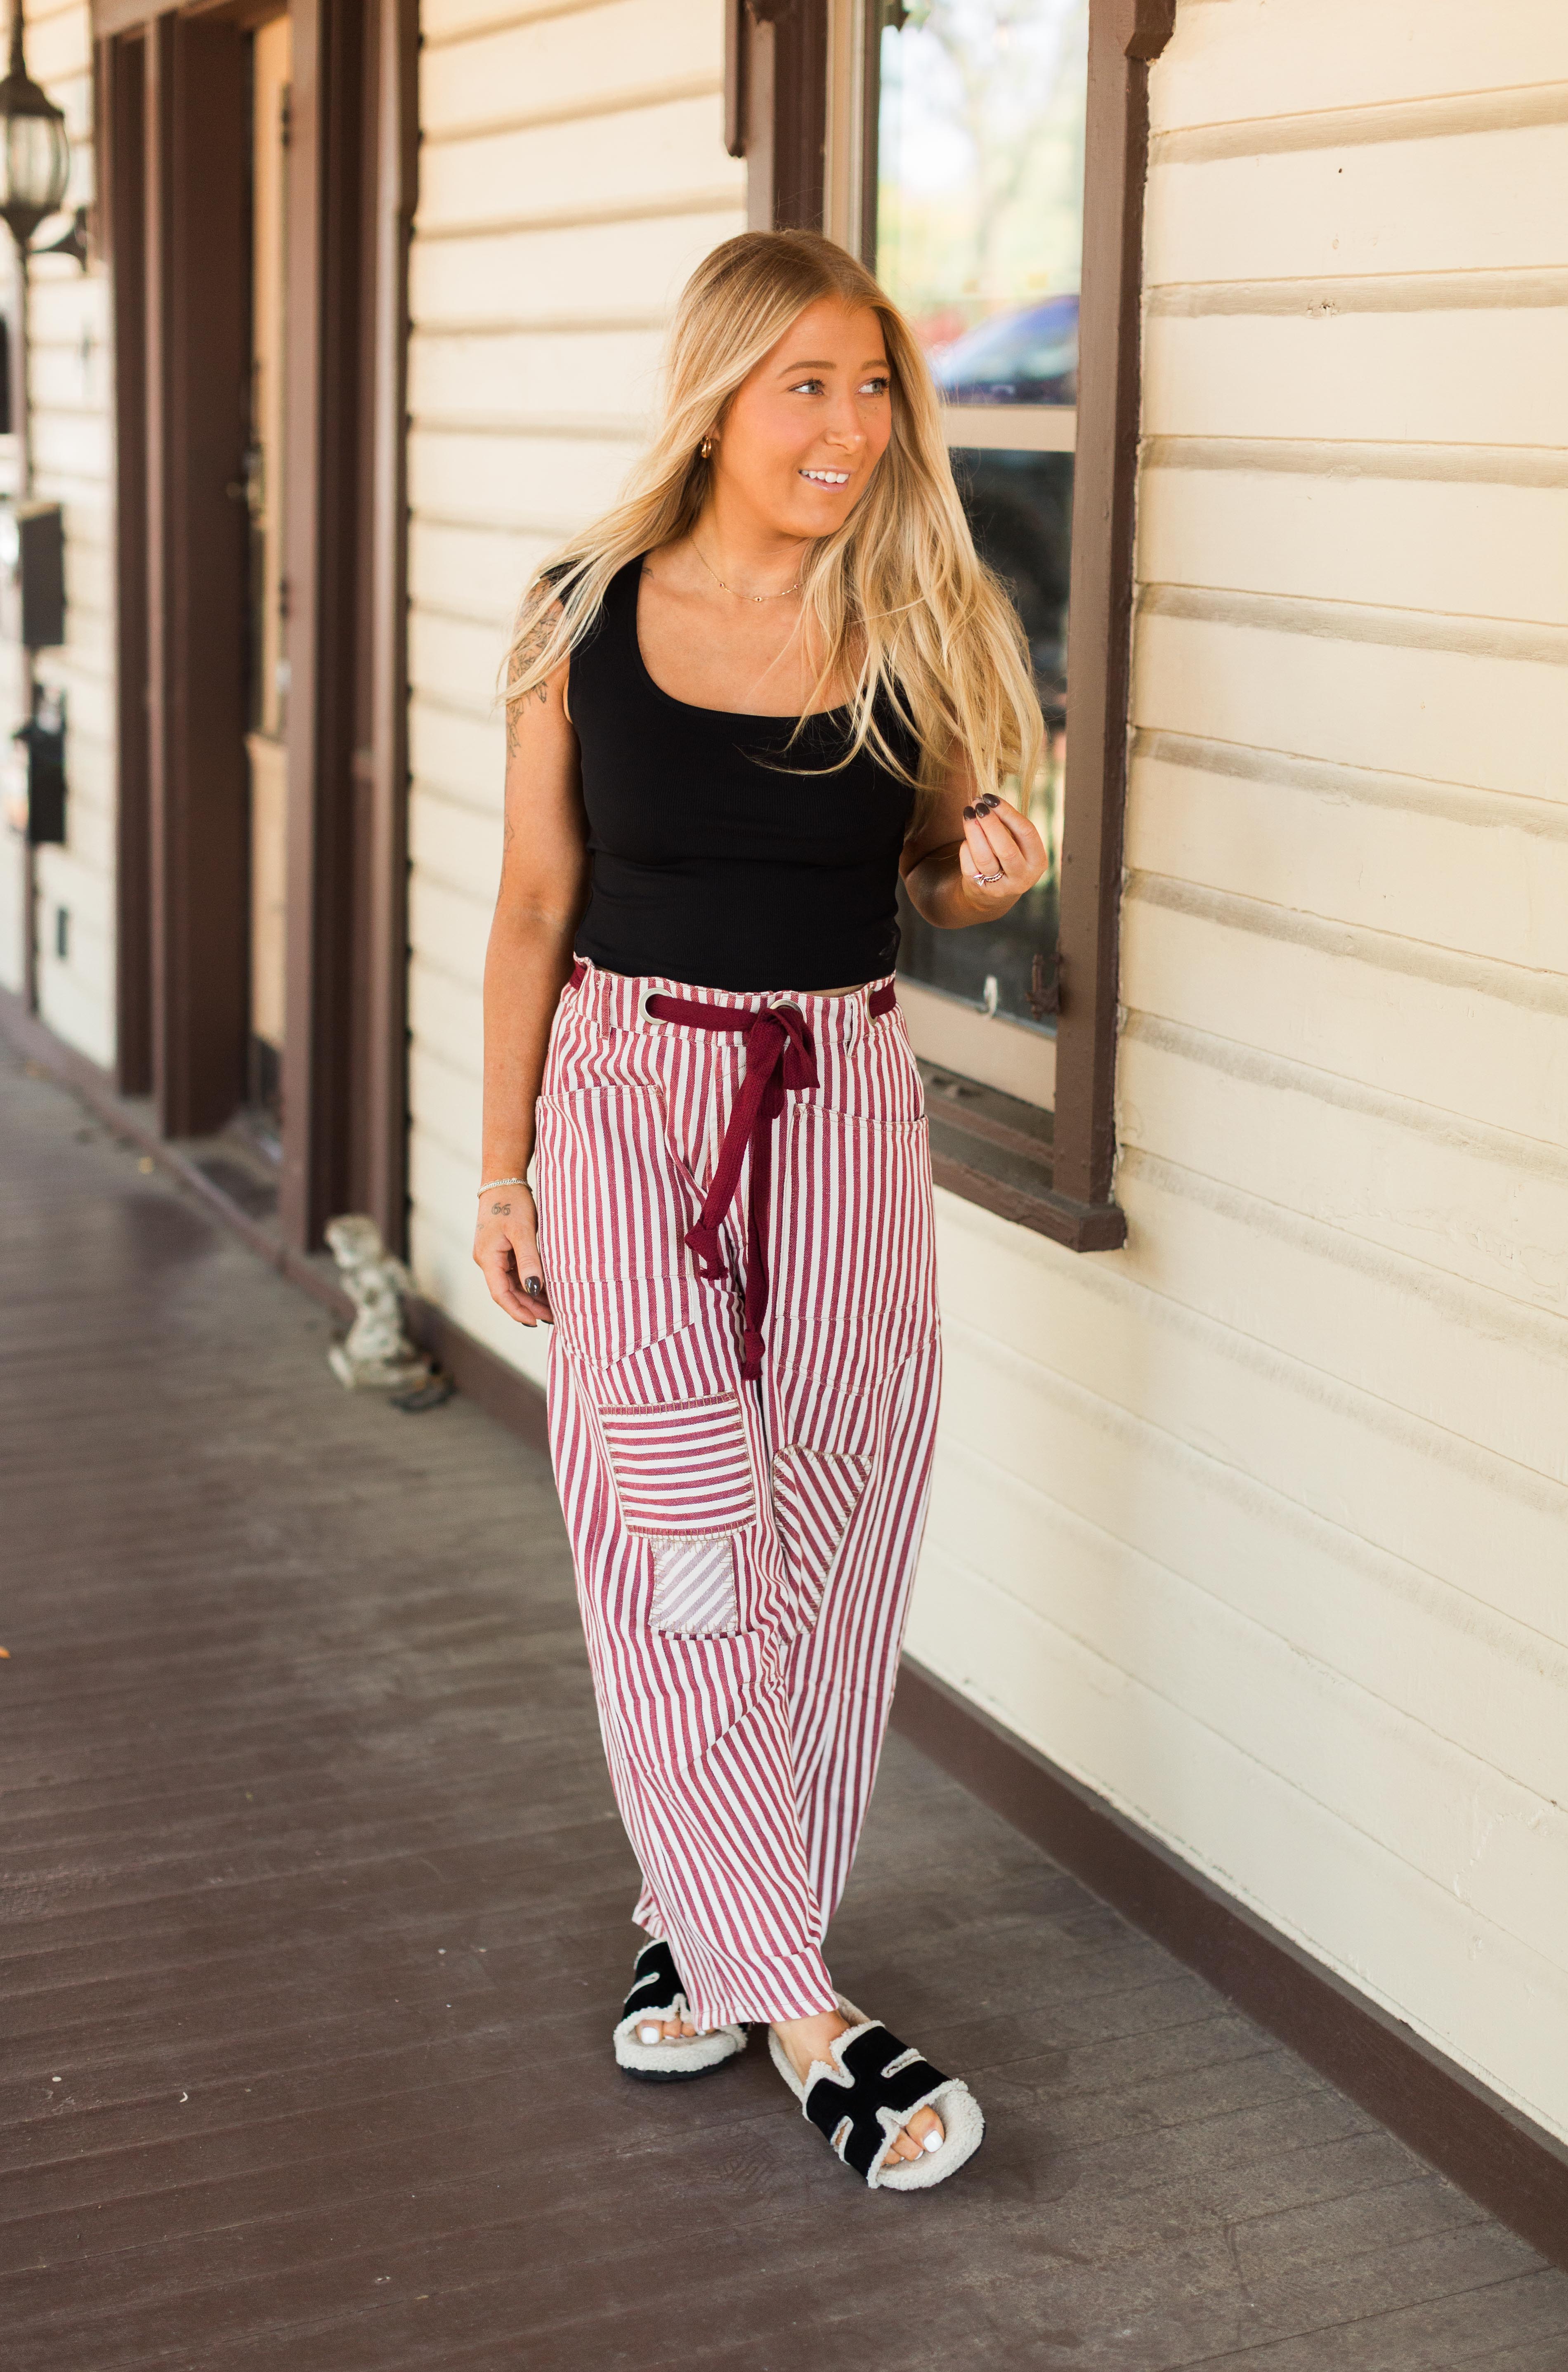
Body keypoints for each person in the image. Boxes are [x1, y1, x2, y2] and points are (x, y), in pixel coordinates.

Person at [473, 229, 1046, 2192]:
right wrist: (500, 1166)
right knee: (677, 1517)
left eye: (877, 387)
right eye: (811, 384)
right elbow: (533, 906)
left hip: (844, 1096)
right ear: (720, 396)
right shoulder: (580, 611)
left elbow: (938, 876)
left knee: (836, 1513)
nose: (852, 427)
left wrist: (986, 882)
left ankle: (702, 1916)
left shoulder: (916, 614)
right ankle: (804, 2008)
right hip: (627, 1093)